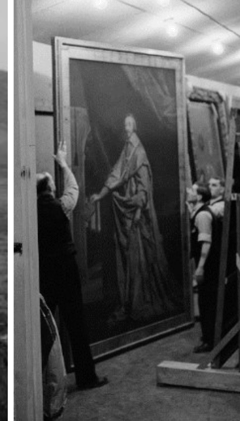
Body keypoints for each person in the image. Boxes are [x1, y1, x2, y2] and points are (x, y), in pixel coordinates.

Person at [88, 114, 179, 323]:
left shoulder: (139, 152)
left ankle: (139, 300)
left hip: (138, 216)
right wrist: (100, 195)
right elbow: (116, 174)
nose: (126, 128)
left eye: (129, 125)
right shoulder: (127, 150)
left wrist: (138, 209)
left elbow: (144, 185)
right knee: (129, 260)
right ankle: (129, 301)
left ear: (135, 127)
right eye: (124, 125)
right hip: (129, 213)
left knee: (138, 259)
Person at [37, 141, 108, 391]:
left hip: (43, 275)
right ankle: (87, 377)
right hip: (66, 271)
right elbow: (74, 191)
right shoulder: (60, 207)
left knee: (41, 330)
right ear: (50, 187)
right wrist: (64, 163)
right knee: (76, 326)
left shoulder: (28, 214)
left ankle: (39, 385)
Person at [187, 184, 222, 353]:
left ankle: (209, 341)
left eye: (192, 191)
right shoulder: (201, 212)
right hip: (208, 266)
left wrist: (200, 267)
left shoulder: (202, 216)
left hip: (208, 267)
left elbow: (206, 243)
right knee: (206, 302)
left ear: (199, 197)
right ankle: (209, 336)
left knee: (206, 303)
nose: (188, 192)